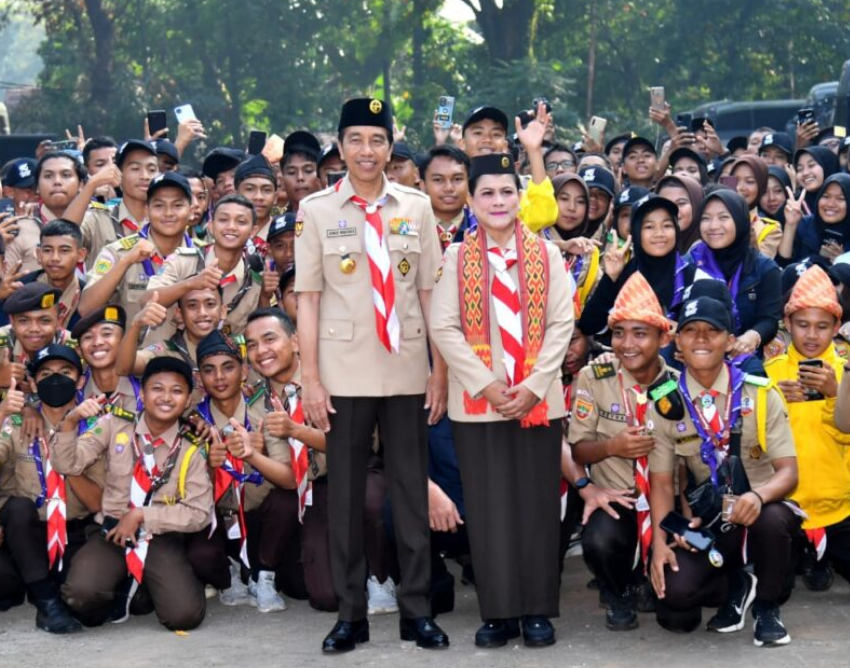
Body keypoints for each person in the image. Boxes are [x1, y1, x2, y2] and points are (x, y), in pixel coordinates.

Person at [295, 97, 448, 653]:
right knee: (345, 497)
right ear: (339, 146)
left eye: (377, 140)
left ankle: (416, 611)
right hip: (344, 372)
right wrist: (311, 379)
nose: (367, 150)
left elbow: (430, 293)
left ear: (390, 146)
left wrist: (439, 371)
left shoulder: (417, 206)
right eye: (356, 140)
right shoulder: (316, 210)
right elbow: (308, 299)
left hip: (406, 368)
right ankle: (350, 614)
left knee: (410, 496)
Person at [430, 153, 572, 648]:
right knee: (489, 510)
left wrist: (533, 385)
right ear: (471, 200)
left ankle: (536, 609)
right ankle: (498, 611)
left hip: (538, 400)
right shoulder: (456, 257)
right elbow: (443, 326)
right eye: (486, 193)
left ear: (520, 198)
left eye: (506, 192)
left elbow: (562, 323)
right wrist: (487, 384)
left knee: (536, 506)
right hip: (478, 404)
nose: (497, 201)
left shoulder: (547, 254)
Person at [648, 291, 799, 647]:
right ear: (678, 342)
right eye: (690, 330)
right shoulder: (666, 401)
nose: (701, 339)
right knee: (674, 596)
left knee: (772, 520)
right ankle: (738, 583)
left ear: (730, 341)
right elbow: (662, 484)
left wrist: (758, 497)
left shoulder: (759, 393)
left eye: (712, 331)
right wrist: (659, 544)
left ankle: (767, 607)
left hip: (763, 511)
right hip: (713, 520)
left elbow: (789, 473)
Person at [54, 357, 213, 630]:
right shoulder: (114, 424)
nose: (166, 397)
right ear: (143, 394)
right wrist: (70, 422)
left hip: (160, 535)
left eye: (176, 391)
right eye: (157, 388)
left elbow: (199, 513)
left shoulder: (192, 446)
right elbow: (67, 464)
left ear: (188, 400)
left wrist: (141, 515)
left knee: (184, 616)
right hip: (111, 531)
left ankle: (151, 585)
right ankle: (125, 588)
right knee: (80, 597)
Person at [569, 271, 677, 631]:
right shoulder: (595, 378)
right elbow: (578, 451)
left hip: (666, 501)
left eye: (640, 333)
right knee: (599, 539)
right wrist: (612, 446)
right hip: (618, 497)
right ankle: (618, 590)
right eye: (618, 333)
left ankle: (651, 574)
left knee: (679, 609)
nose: (627, 344)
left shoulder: (678, 385)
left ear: (663, 338)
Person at [0, 344, 105, 634]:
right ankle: (46, 602)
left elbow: (97, 503)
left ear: (80, 381)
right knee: (18, 509)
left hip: (74, 531)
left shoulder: (96, 426)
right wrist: (1, 414)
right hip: (28, 532)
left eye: (65, 372)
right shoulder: (17, 423)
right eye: (45, 374)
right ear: (33, 384)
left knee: (89, 604)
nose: (55, 379)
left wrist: (65, 455)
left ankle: (46, 587)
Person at [765, 265, 850, 591]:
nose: (812, 335)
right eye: (802, 325)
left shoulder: (845, 372)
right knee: (777, 585)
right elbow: (758, 442)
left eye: (822, 326)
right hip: (788, 502)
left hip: (839, 503)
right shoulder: (770, 372)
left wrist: (835, 394)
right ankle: (808, 555)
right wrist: (775, 401)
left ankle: (820, 556)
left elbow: (845, 433)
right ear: (787, 324)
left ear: (836, 327)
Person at [78, 171, 195, 334]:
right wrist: (126, 262)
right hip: (133, 349)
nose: (168, 213)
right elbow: (86, 309)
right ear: (147, 210)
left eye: (177, 205)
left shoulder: (202, 255)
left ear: (191, 211)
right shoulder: (119, 252)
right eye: (159, 205)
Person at [580, 195, 696, 350]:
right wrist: (611, 278)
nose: (659, 233)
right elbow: (588, 325)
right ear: (636, 231)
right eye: (649, 227)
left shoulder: (693, 276)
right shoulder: (626, 273)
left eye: (667, 225)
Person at [145, 194, 265, 337]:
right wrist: (190, 284)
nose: (231, 227)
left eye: (241, 222)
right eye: (223, 220)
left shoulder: (254, 280)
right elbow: (146, 300)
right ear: (211, 226)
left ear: (253, 231)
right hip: (166, 349)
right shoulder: (182, 261)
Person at [688, 189, 782, 360]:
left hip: (743, 358)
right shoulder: (689, 263)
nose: (713, 226)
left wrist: (752, 336)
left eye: (723, 217)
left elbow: (769, 320)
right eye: (706, 218)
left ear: (739, 220)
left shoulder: (764, 269)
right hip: (693, 357)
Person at [72, 140, 159, 268]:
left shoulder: (168, 220)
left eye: (152, 169)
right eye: (135, 168)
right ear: (118, 173)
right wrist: (91, 185)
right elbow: (63, 236)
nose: (145, 176)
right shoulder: (98, 218)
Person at [2, 152, 84, 275]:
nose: (36, 193)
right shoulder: (11, 227)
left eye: (66, 175)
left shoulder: (90, 217)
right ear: (9, 192)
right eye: (28, 189)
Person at [0, 220, 87, 331]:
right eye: (47, 250)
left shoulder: (88, 297)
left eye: (64, 250)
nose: (55, 258)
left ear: (81, 255)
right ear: (38, 254)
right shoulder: (18, 288)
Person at [0, 284, 75, 394]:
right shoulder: (2, 340)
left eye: (45, 320)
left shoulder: (73, 346)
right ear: (12, 321)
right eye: (24, 321)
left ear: (59, 320)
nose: (34, 329)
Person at [72, 306, 143, 417]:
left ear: (124, 341)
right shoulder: (74, 395)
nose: (97, 342)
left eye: (107, 334)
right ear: (79, 350)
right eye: (88, 337)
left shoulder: (146, 387)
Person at [779, 173, 850, 265]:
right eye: (825, 196)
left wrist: (843, 261)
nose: (830, 204)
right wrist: (790, 225)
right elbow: (782, 263)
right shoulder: (805, 225)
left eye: (840, 198)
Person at [419, 144, 472, 251]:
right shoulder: (412, 227)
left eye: (457, 179)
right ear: (423, 185)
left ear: (468, 183)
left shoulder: (481, 227)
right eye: (438, 180)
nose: (449, 188)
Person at [730, 155, 782, 259]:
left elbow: (761, 265)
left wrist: (751, 240)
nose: (740, 188)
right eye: (735, 180)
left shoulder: (770, 228)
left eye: (749, 181)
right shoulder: (714, 216)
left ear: (761, 186)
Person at [655, 174, 704, 254]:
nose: (673, 210)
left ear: (696, 204)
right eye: (665, 204)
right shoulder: (649, 244)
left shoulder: (710, 249)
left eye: (681, 203)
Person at [281, 131, 322, 214]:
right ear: (282, 179)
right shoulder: (276, 220)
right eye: (292, 172)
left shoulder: (336, 217)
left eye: (308, 171)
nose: (300, 177)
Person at [794, 146, 840, 216]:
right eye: (799, 169)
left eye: (811, 165)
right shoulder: (795, 204)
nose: (805, 173)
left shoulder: (847, 198)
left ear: (827, 166)